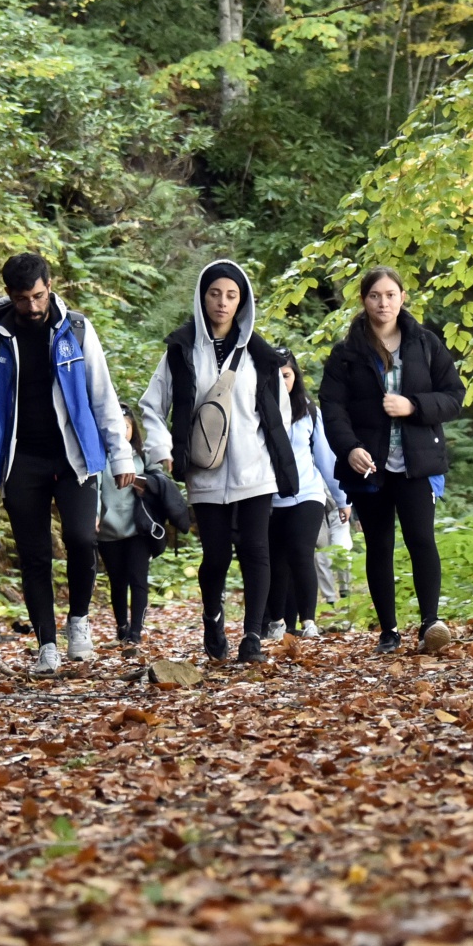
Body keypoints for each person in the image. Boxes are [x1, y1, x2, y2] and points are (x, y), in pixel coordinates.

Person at [0, 253, 134, 678]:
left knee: (82, 539)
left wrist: (120, 453)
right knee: (35, 554)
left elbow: (103, 394)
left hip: (74, 456)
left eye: (39, 296)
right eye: (23, 299)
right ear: (9, 295)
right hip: (21, 460)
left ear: (50, 285)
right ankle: (46, 644)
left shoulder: (76, 329)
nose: (33, 306)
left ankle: (78, 619)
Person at [140, 260, 298, 664]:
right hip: (204, 472)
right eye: (214, 294)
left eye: (231, 295)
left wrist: (278, 463)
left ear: (242, 300)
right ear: (202, 297)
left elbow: (277, 415)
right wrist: (164, 451)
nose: (222, 303)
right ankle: (213, 619)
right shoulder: (181, 351)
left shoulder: (262, 356)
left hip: (254, 470)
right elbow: (151, 406)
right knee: (216, 556)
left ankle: (252, 638)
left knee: (257, 551)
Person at [319, 266, 465, 655]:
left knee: (421, 540)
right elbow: (332, 408)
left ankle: (430, 624)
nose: (383, 302)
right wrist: (349, 448)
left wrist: (413, 405)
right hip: (370, 466)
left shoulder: (426, 344)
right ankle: (389, 631)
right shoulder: (346, 353)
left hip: (418, 463)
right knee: (379, 546)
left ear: (402, 298)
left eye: (390, 294)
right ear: (364, 300)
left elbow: (454, 397)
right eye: (374, 296)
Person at [265, 348, 349, 641]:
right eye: (274, 376)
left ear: (295, 377)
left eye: (286, 375)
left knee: (302, 553)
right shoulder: (256, 411)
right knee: (275, 560)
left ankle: (309, 621)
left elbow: (326, 458)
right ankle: (277, 622)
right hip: (268, 497)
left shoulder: (309, 411)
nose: (281, 381)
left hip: (307, 494)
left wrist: (342, 499)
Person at [96, 406, 152, 649]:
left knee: (138, 579)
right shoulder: (98, 457)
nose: (121, 430)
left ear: (133, 429)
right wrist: (94, 516)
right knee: (117, 581)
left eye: (126, 426)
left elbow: (160, 483)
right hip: (108, 530)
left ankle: (136, 631)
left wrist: (148, 485)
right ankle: (122, 626)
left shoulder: (142, 455)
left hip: (138, 528)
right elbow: (94, 489)